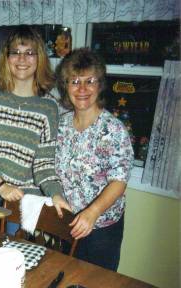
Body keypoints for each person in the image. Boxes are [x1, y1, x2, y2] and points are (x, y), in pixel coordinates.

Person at [0, 25, 71, 233]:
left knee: (8, 255)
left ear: (40, 58)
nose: (22, 59)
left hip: (22, 200)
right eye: (16, 52)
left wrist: (56, 194)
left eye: (30, 53)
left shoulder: (49, 107)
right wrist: (1, 185)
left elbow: (44, 163)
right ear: (6, 58)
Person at [55, 48, 134, 271]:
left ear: (100, 85)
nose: (82, 89)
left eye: (90, 81)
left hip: (102, 228)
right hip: (69, 222)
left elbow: (119, 181)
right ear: (65, 86)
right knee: (68, 277)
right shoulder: (60, 125)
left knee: (98, 287)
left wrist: (92, 213)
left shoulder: (113, 129)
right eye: (75, 81)